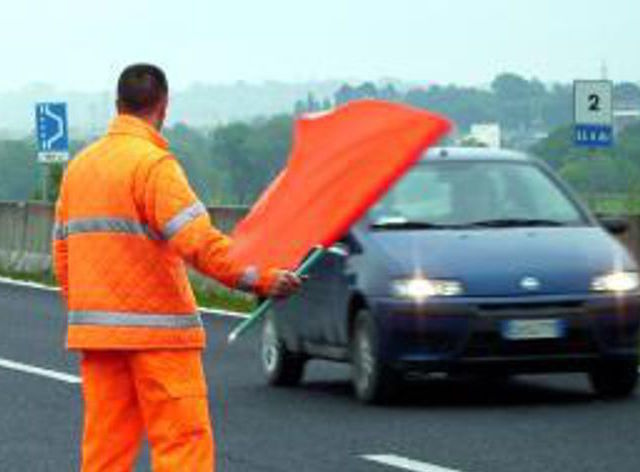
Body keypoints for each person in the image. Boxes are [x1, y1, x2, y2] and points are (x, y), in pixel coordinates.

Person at [52, 63, 301, 472]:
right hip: (160, 337)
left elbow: (63, 255)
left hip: (98, 338)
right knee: (181, 444)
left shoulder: (79, 168)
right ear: (163, 106)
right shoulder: (153, 166)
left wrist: (88, 314)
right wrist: (263, 277)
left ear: (117, 106)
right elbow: (199, 243)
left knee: (105, 452)